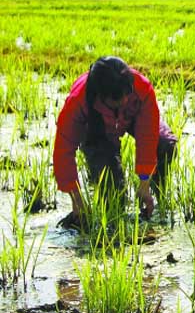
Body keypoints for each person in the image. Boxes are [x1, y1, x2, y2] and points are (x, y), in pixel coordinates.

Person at [53, 56, 177, 227]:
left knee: (165, 144)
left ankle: (155, 196)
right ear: (100, 96)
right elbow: (63, 150)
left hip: (129, 118)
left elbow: (148, 136)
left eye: (127, 95)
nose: (125, 101)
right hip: (97, 131)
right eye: (117, 99)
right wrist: (76, 199)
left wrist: (144, 181)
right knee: (114, 197)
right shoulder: (78, 101)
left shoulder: (141, 88)